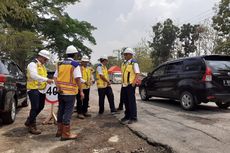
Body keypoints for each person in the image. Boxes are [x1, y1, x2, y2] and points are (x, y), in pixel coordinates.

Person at [54, 45, 84, 141]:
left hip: (61, 92)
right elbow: (77, 79)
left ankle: (59, 131)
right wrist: (81, 91)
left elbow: (55, 77)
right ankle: (66, 134)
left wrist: (58, 87)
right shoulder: (75, 64)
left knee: (61, 110)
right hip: (70, 93)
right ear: (75, 54)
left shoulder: (60, 64)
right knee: (68, 112)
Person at [25, 50, 53, 135]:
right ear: (40, 57)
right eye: (45, 59)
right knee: (35, 107)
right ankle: (32, 126)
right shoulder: (32, 64)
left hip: (41, 89)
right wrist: (46, 80)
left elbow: (43, 76)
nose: (46, 61)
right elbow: (34, 76)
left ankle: (29, 120)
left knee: (40, 106)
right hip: (33, 89)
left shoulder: (42, 66)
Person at [120, 48, 140, 124]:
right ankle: (127, 116)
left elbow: (137, 73)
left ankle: (133, 117)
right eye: (124, 54)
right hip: (124, 85)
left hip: (130, 85)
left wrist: (134, 83)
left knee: (131, 102)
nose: (124, 56)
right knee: (126, 101)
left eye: (126, 54)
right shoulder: (124, 63)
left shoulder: (134, 63)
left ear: (130, 55)